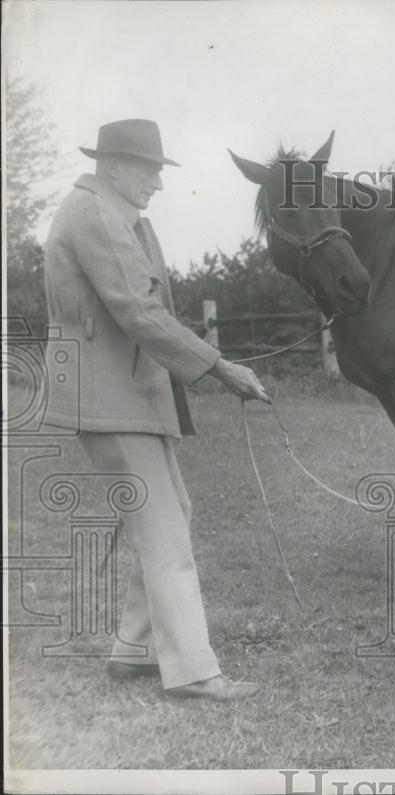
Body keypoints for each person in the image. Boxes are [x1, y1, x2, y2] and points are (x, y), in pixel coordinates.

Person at [42, 119, 269, 701]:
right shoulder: (94, 214)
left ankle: (137, 649)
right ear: (115, 166)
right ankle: (194, 672)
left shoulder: (116, 215)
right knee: (165, 529)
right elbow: (139, 313)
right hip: (108, 398)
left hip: (127, 395)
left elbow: (144, 313)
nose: (158, 185)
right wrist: (220, 367)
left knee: (171, 516)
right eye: (150, 171)